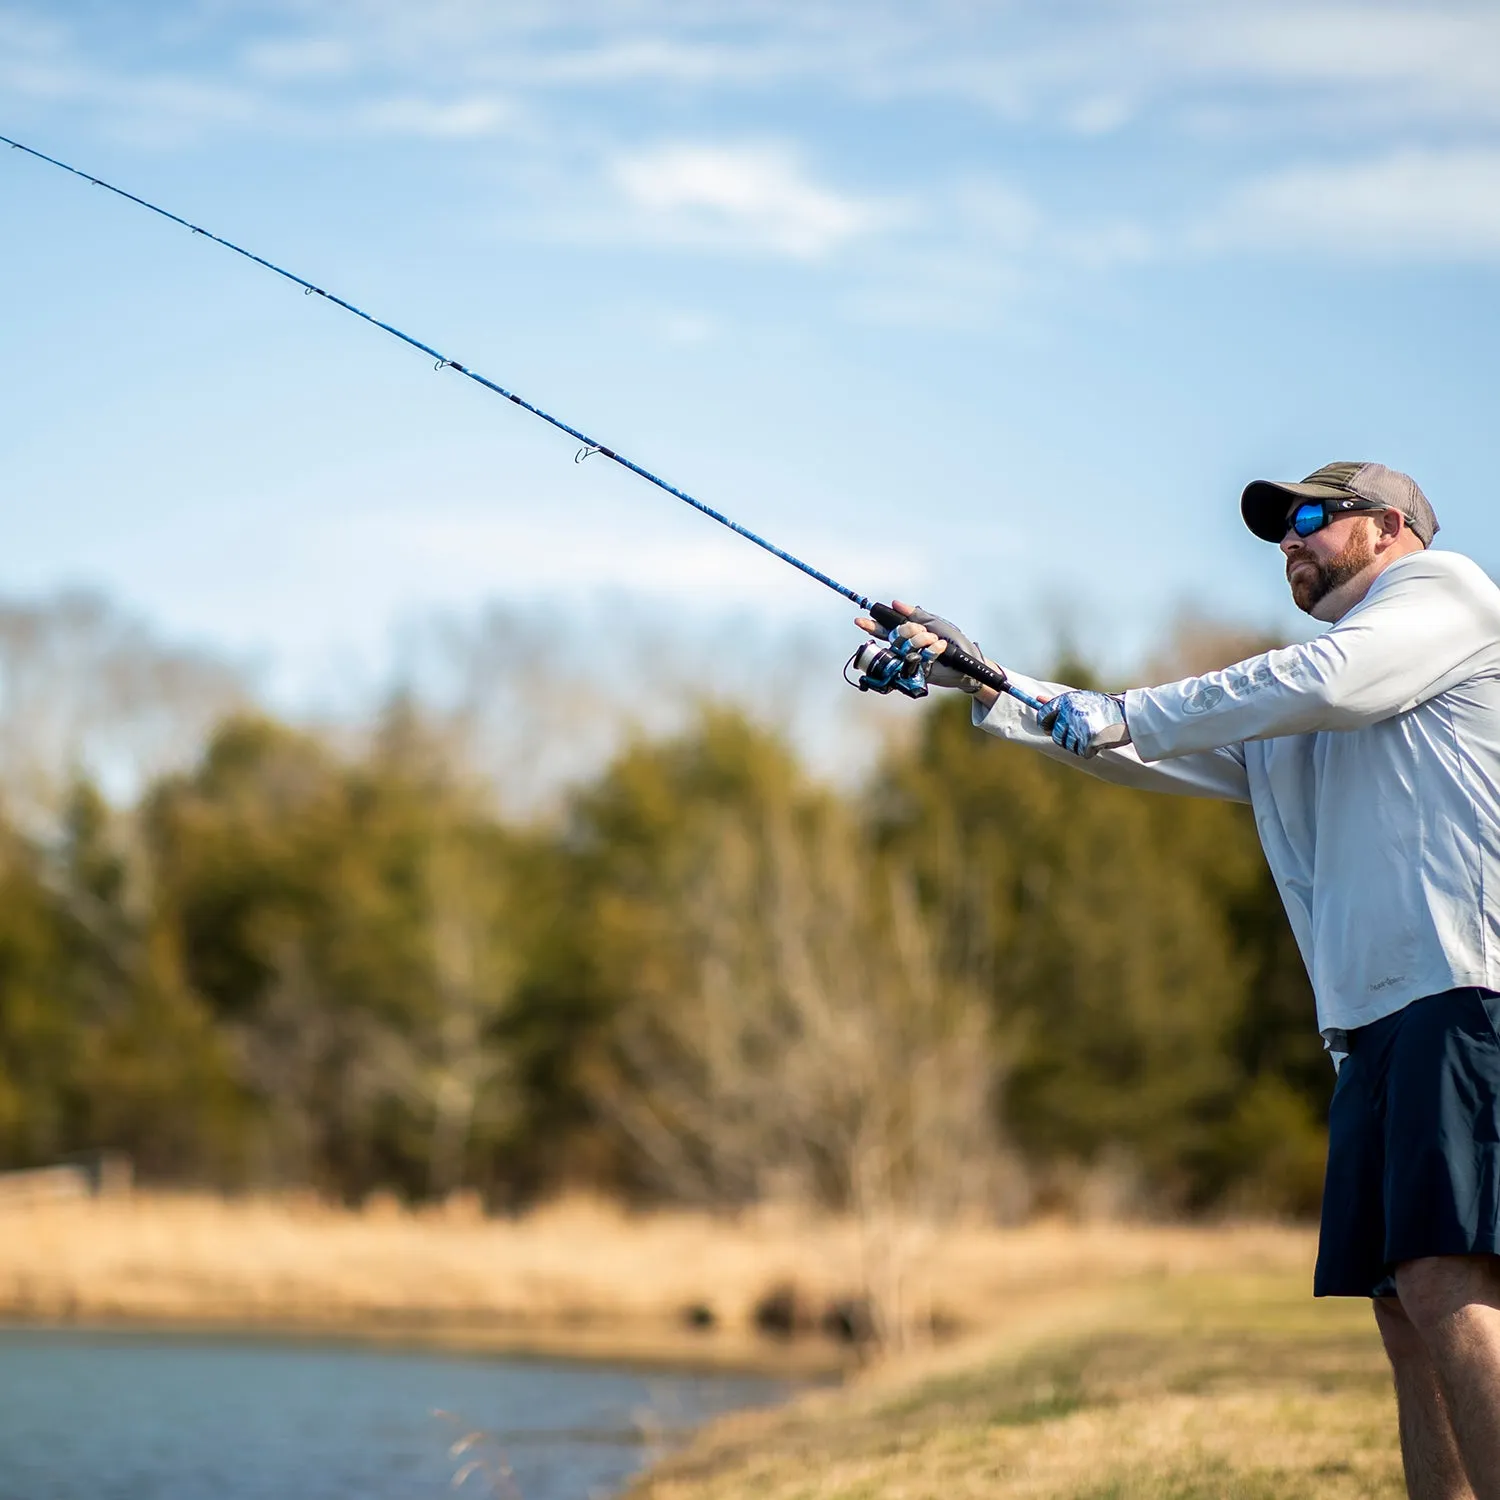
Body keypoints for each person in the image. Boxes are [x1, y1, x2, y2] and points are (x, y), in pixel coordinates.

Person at [858, 462, 1500, 1500]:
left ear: (1388, 528)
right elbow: (1144, 746)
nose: (1287, 543)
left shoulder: (1447, 601)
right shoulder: (1317, 687)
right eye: (1277, 532)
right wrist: (980, 677)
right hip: (1377, 1023)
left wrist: (1126, 711)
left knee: (1448, 1285)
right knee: (1407, 1317)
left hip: (1464, 997)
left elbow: (1293, 688)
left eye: (1306, 520)